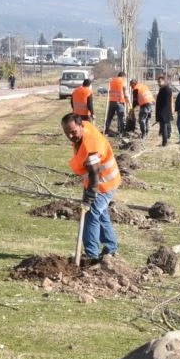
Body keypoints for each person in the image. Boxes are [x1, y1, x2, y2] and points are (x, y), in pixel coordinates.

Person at [61, 112, 120, 264]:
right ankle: (111, 248)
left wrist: (88, 199)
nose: (71, 136)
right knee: (101, 215)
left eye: (73, 132)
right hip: (104, 181)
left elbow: (94, 175)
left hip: (104, 184)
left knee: (91, 214)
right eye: (67, 133)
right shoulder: (84, 127)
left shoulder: (91, 146)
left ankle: (91, 255)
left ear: (81, 126)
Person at [104, 72, 128, 136]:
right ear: (123, 76)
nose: (125, 79)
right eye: (125, 78)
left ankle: (106, 130)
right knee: (121, 117)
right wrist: (127, 99)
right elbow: (125, 90)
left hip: (111, 101)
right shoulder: (122, 81)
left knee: (109, 117)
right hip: (120, 101)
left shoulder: (112, 80)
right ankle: (121, 132)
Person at [154, 74, 174, 146]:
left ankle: (164, 142)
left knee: (163, 127)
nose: (158, 83)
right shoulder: (163, 89)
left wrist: (160, 112)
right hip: (164, 111)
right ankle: (167, 138)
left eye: (160, 81)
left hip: (163, 112)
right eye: (158, 82)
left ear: (164, 81)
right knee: (165, 126)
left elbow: (165, 102)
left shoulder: (166, 89)